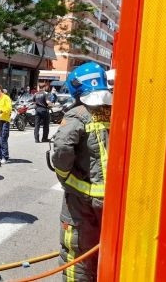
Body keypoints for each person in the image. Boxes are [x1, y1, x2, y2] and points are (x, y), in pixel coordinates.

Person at [51, 62, 112, 282]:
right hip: (114, 198)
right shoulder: (116, 110)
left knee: (75, 249)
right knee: (104, 246)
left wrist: (64, 176)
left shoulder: (78, 113)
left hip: (83, 197)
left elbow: (62, 148)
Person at [0, 84, 12, 164]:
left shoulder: (6, 98)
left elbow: (9, 108)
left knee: (3, 139)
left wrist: (1, 110)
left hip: (4, 121)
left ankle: (5, 157)